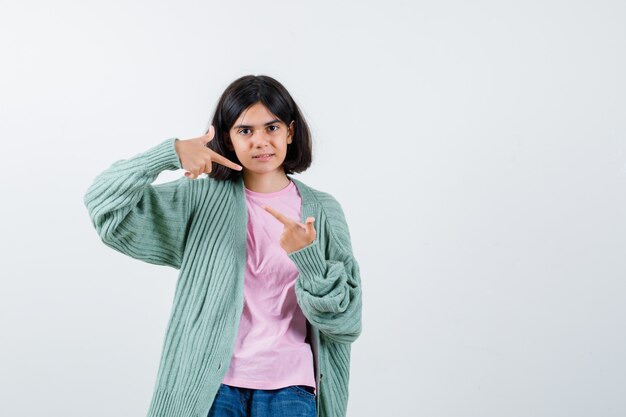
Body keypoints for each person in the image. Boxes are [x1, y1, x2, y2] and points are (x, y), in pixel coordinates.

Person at [83, 74, 363, 417]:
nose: (260, 141)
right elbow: (104, 207)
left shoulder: (322, 211)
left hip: (291, 387)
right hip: (213, 387)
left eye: (271, 128)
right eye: (245, 130)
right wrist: (167, 154)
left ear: (290, 132)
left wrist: (308, 259)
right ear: (228, 139)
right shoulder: (201, 201)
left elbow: (346, 321)